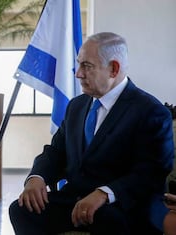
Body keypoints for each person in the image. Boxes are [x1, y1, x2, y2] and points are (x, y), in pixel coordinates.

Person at [9, 32, 174, 234]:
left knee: (108, 219)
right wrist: (37, 177)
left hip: (124, 205)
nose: (78, 73)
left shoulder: (150, 111)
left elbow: (151, 172)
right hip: (76, 200)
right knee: (21, 209)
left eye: (86, 66)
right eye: (78, 64)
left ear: (113, 69)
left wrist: (104, 194)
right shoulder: (76, 106)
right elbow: (55, 152)